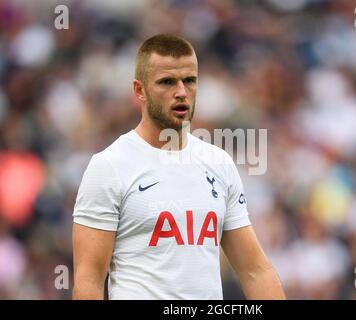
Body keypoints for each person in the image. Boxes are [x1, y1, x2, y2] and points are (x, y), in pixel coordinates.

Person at [72, 34, 286, 300]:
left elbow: (256, 271)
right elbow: (89, 280)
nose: (182, 92)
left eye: (190, 80)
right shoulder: (109, 166)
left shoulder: (218, 163)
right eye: (167, 82)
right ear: (140, 90)